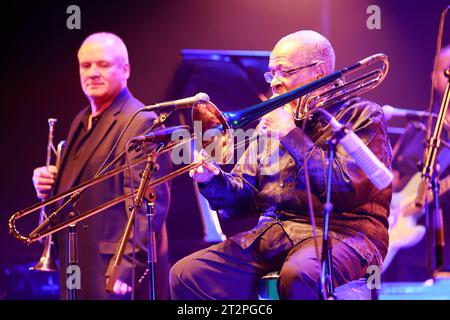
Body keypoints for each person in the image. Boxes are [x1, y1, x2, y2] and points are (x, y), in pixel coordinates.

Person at [169, 30, 392, 300]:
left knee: (300, 275)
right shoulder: (274, 122)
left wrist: (291, 136)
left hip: (347, 232)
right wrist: (212, 179)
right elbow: (243, 200)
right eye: (271, 73)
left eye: (284, 71)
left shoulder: (362, 115)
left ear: (320, 72)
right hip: (276, 232)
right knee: (187, 274)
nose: (274, 82)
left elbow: (347, 188)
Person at [32, 32, 171, 300]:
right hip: (77, 262)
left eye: (103, 64)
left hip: (112, 271)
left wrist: (128, 264)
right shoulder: (80, 120)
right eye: (86, 65)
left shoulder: (139, 120)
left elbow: (147, 203)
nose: (93, 72)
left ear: (126, 70)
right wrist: (50, 183)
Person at [382, 44, 450, 281]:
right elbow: (393, 173)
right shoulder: (420, 124)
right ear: (434, 78)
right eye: (448, 71)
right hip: (405, 242)